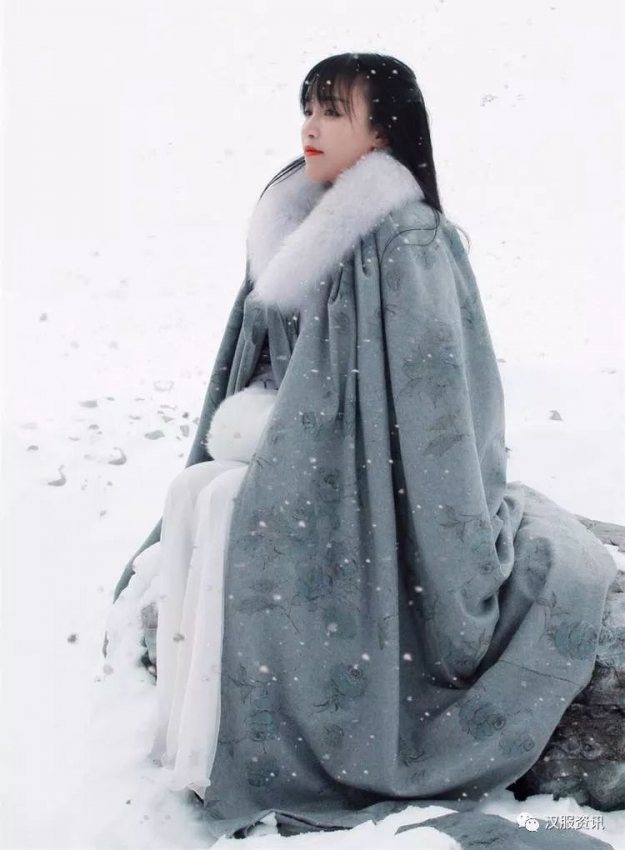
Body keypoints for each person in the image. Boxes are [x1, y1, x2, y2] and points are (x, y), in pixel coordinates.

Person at [104, 52, 618, 841]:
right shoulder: (292, 222)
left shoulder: (407, 238)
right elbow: (262, 361)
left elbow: (438, 397)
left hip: (374, 475)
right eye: (307, 108)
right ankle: (207, 736)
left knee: (251, 521)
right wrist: (274, 430)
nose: (310, 126)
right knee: (199, 496)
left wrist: (320, 455)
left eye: (334, 111)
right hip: (307, 450)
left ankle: (295, 736)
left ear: (382, 133)